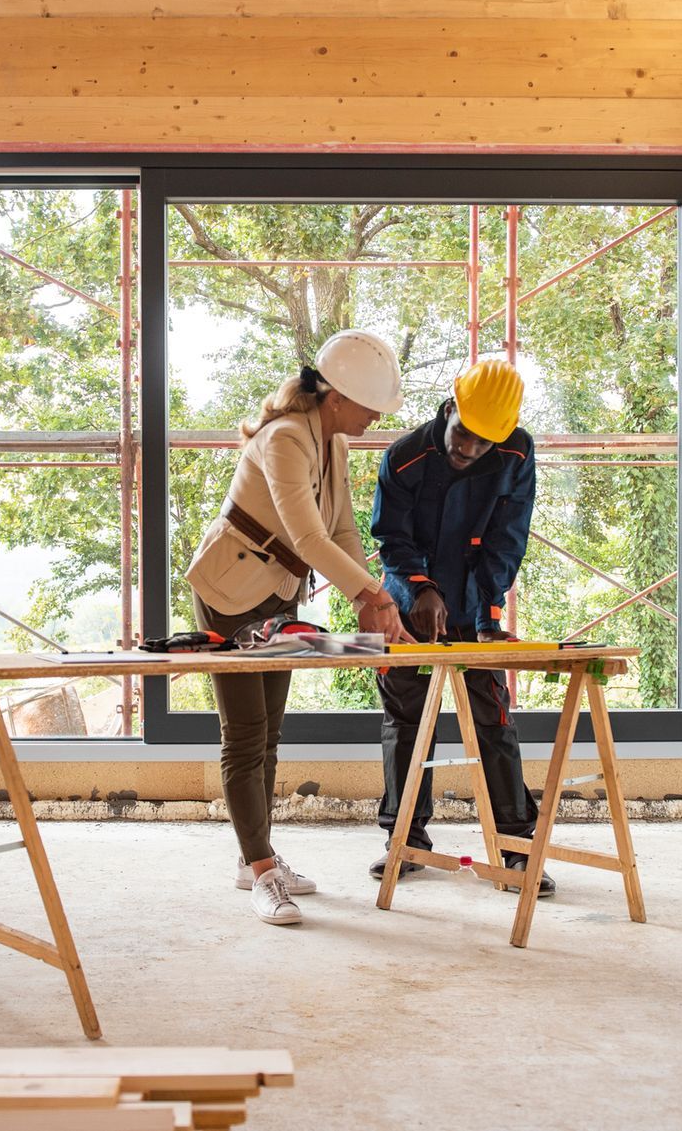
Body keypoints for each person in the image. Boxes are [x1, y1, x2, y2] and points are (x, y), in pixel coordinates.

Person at [185, 329, 412, 926]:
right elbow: (308, 537)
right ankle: (262, 874)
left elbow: (339, 534)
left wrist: (372, 601)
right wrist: (374, 596)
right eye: (370, 407)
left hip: (275, 596)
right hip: (229, 593)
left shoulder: (331, 441)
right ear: (336, 396)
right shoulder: (286, 439)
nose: (374, 419)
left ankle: (252, 858)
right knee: (245, 733)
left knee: (270, 733)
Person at [369, 360, 553, 896]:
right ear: (450, 408)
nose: (470, 450)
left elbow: (507, 539)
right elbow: (392, 540)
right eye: (464, 436)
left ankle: (518, 849)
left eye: (482, 444)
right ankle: (405, 842)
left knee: (492, 722)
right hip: (409, 608)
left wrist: (488, 614)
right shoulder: (403, 458)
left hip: (475, 608)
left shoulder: (516, 452)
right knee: (407, 723)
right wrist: (422, 589)